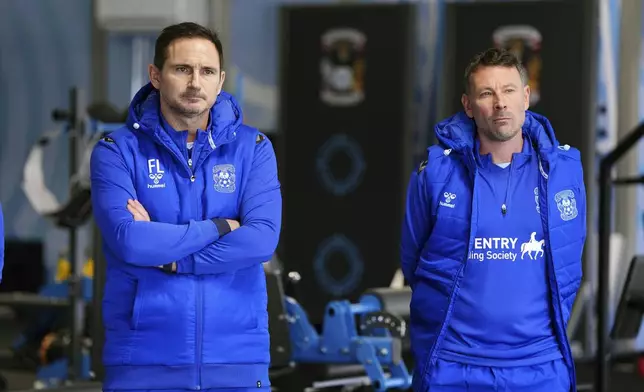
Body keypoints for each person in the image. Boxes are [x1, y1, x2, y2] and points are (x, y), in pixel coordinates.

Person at [90, 22, 281, 391]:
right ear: (156, 75)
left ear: (220, 80)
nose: (196, 82)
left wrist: (174, 259)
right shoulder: (116, 150)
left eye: (207, 71)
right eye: (183, 69)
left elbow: (260, 241)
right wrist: (221, 227)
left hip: (238, 358)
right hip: (143, 358)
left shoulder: (253, 148)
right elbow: (130, 241)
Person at [400, 48, 586, 391]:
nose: (500, 102)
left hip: (540, 368)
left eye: (509, 90)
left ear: (526, 97)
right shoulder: (434, 174)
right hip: (454, 368)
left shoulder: (564, 171)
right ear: (469, 105)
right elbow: (413, 263)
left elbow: (569, 263)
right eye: (487, 93)